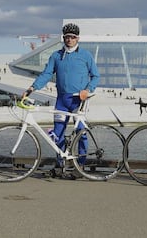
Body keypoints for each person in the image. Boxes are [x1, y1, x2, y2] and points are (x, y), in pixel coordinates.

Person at [23, 23, 100, 178]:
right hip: (62, 100)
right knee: (57, 134)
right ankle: (60, 164)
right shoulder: (56, 56)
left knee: (81, 132)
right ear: (63, 38)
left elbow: (95, 76)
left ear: (77, 38)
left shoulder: (86, 55)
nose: (69, 40)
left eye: (72, 37)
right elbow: (46, 74)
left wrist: (88, 90)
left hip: (79, 100)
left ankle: (81, 165)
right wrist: (31, 88)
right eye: (67, 37)